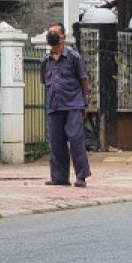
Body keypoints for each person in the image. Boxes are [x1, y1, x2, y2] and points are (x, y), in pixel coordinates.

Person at [41, 21, 92, 187]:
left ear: (62, 37)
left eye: (55, 33)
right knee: (56, 143)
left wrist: (85, 102)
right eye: (49, 33)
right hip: (54, 106)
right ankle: (59, 177)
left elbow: (83, 79)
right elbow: (44, 82)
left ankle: (81, 177)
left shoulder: (73, 57)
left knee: (76, 141)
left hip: (73, 105)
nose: (51, 36)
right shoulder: (45, 61)